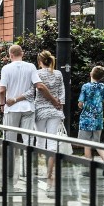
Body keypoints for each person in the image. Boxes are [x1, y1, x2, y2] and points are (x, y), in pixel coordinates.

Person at [0, 44, 58, 185]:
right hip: (28, 108)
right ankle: (29, 170)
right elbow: (40, 86)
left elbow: (1, 90)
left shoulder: (6, 68)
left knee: (9, 140)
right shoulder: (31, 67)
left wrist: (2, 104)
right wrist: (54, 100)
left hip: (11, 108)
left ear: (10, 55)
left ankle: (9, 172)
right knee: (28, 139)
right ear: (22, 53)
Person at [32, 50, 65, 187]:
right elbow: (62, 91)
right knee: (52, 142)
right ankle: (49, 173)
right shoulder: (58, 74)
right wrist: (59, 105)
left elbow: (36, 90)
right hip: (55, 111)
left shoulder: (37, 74)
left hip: (40, 110)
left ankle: (37, 170)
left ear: (40, 62)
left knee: (39, 141)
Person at [78, 65, 104, 163]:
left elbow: (80, 103)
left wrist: (81, 106)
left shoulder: (85, 86)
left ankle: (89, 167)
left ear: (91, 74)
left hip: (86, 118)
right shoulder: (102, 86)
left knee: (86, 144)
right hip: (98, 118)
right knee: (97, 142)